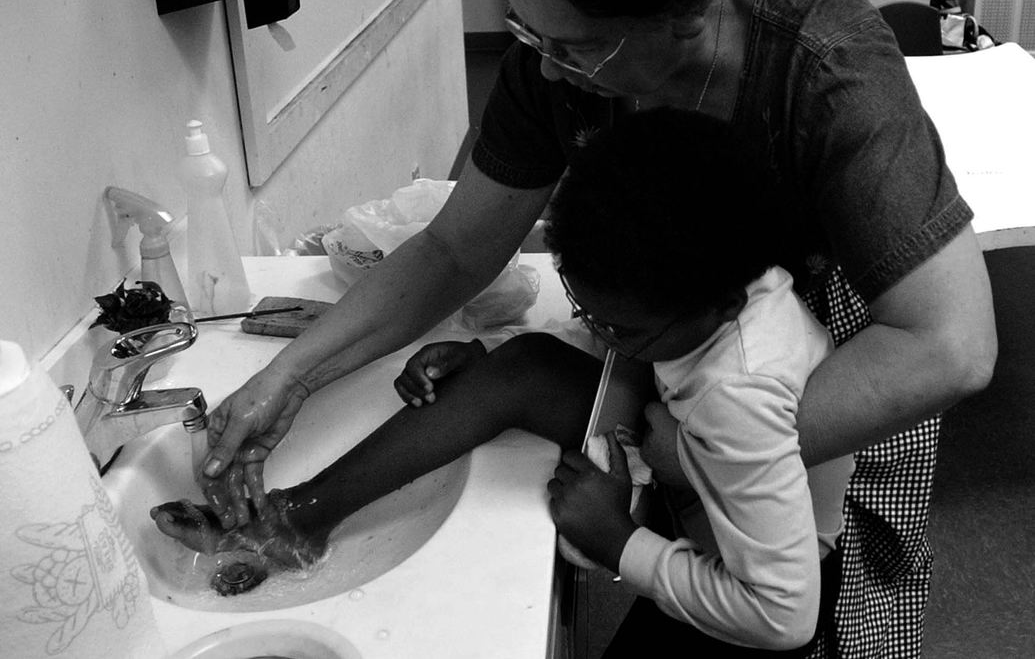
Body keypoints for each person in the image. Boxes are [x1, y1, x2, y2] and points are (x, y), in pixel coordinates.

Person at [193, 0, 997, 655]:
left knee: (765, 594)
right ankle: (303, 513)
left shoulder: (821, 66)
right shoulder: (569, 74)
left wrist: (689, 455)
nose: (545, 71)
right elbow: (455, 249)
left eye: (573, 46)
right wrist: (290, 379)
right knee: (523, 374)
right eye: (527, 33)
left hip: (808, 398)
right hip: (690, 368)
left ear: (684, 13)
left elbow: (948, 346)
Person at [156, 109, 851, 653]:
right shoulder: (716, 276)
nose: (603, 334)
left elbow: (782, 616)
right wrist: (495, 352)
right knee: (522, 368)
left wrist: (619, 542)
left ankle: (295, 521)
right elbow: (642, 345)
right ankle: (293, 519)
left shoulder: (738, 395)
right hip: (706, 481)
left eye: (621, 329)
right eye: (590, 314)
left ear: (721, 304)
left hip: (749, 585)